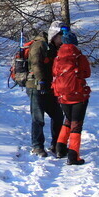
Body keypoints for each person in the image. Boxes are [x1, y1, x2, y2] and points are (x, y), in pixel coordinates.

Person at [52, 26, 91, 166]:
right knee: (76, 124)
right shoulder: (79, 56)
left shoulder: (58, 57)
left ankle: (60, 149)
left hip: (61, 95)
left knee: (67, 119)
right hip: (78, 95)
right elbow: (87, 73)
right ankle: (73, 156)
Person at [26, 22, 64, 158]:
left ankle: (56, 145)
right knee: (38, 118)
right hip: (35, 86)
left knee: (58, 116)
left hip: (49, 87)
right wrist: (41, 80)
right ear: (54, 35)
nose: (63, 39)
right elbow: (36, 64)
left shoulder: (55, 47)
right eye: (61, 36)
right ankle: (37, 146)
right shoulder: (40, 45)